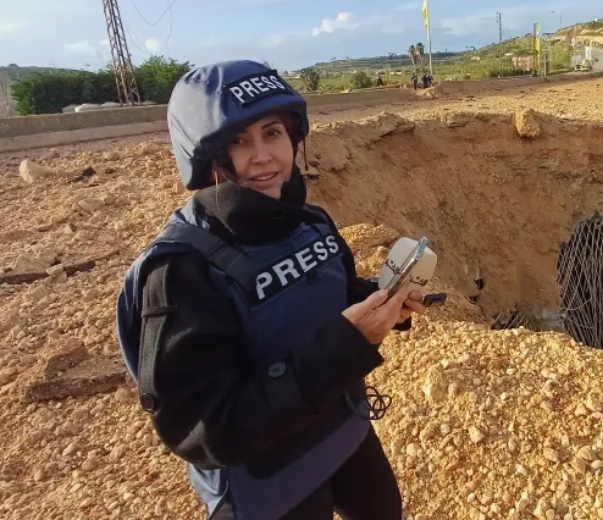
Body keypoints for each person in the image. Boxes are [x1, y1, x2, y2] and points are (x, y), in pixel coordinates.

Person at [115, 60, 425, 520]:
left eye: (273, 133)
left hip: (341, 427)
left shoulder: (311, 224)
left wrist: (382, 302)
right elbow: (208, 429)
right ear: (206, 158)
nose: (262, 155)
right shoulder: (183, 271)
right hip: (268, 478)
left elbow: (327, 298)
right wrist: (347, 342)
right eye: (238, 141)